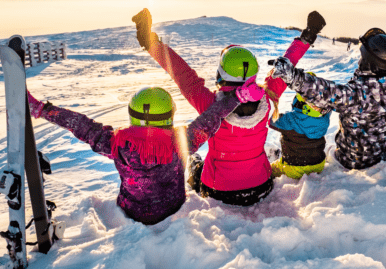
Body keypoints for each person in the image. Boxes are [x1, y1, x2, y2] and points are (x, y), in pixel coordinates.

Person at [133, 8, 326, 206]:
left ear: (222, 73)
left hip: (219, 190)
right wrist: (307, 36)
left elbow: (183, 75)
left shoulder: (210, 106)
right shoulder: (267, 99)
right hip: (261, 185)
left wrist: (151, 43)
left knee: (195, 164)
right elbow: (287, 64)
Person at [26, 81, 265, 225]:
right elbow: (211, 119)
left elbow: (80, 124)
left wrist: (42, 110)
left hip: (132, 211)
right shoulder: (181, 142)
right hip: (173, 208)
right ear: (169, 115)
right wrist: (237, 97)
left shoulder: (116, 143)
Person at [270, 13, 386, 170]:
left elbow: (324, 92)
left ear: (369, 63)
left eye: (362, 57)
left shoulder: (359, 94)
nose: (359, 60)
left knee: (326, 154)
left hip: (352, 162)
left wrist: (292, 76)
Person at [268, 72, 332, 179]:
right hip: (318, 165)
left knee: (270, 169)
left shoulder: (290, 119)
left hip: (294, 167)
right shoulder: (324, 117)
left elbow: (271, 121)